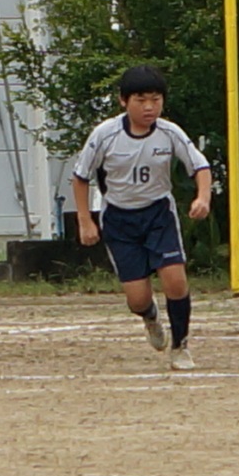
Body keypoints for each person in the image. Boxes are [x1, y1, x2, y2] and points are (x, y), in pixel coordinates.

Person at [72, 65, 212, 371]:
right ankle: (149, 316)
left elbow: (200, 166)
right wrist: (85, 219)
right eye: (141, 100)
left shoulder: (169, 132)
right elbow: (80, 177)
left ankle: (180, 345)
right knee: (137, 298)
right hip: (119, 219)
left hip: (158, 213)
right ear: (124, 101)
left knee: (175, 280)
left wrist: (203, 197)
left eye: (155, 100)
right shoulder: (105, 135)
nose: (149, 107)